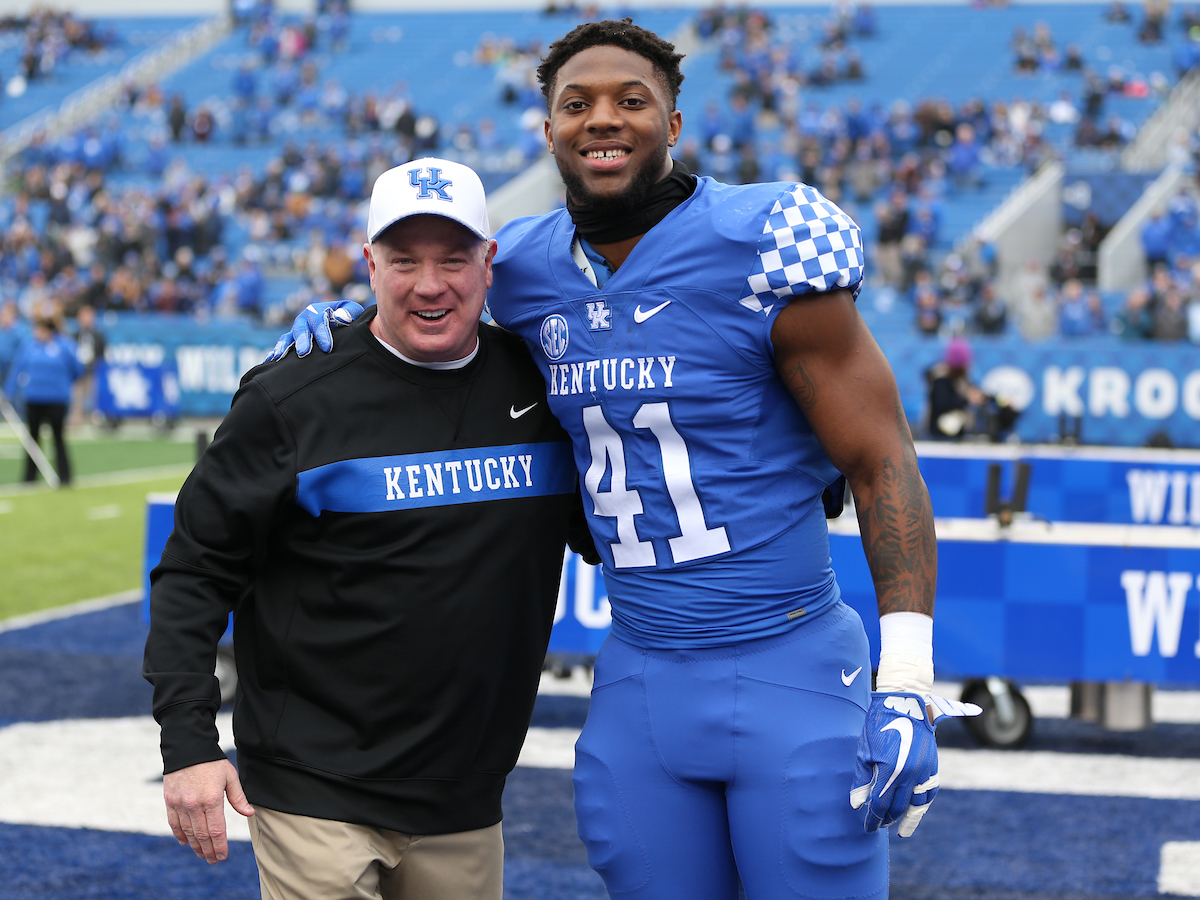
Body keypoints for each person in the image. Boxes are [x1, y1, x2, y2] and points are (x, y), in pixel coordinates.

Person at [273, 22, 976, 900]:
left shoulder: (763, 243)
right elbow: (430, 303)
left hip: (789, 663)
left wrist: (906, 676)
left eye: (630, 101)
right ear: (550, 130)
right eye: (578, 104)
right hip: (640, 674)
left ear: (674, 123)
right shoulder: (519, 267)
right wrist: (352, 324)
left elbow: (881, 461)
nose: (603, 119)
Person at [143, 157, 595, 900]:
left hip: (467, 801)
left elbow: (608, 529)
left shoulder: (543, 387)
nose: (428, 284)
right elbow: (193, 573)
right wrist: (188, 745)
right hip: (313, 792)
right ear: (368, 264)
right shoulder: (294, 396)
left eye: (453, 258)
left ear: (489, 264)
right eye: (403, 259)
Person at [4, 316, 83, 486]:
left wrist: (63, 385)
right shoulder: (30, 346)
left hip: (56, 400)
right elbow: (18, 368)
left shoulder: (64, 346)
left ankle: (65, 477)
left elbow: (77, 369)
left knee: (58, 438)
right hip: (33, 398)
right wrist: (8, 392)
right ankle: (30, 477)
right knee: (32, 439)